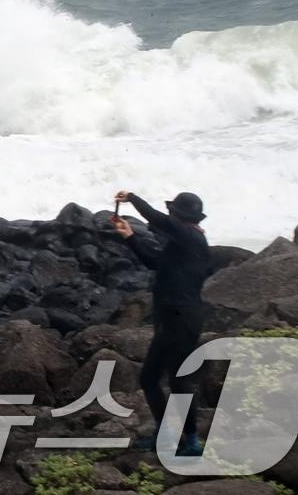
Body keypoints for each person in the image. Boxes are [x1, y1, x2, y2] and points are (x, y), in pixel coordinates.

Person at [109, 189, 211, 457]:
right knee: (155, 379)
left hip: (181, 319)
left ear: (177, 215)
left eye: (172, 213)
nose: (169, 216)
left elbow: (157, 219)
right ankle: (171, 436)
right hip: (173, 318)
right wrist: (129, 236)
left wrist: (132, 198)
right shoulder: (183, 243)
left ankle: (189, 441)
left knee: (172, 381)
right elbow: (154, 262)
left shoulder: (190, 237)